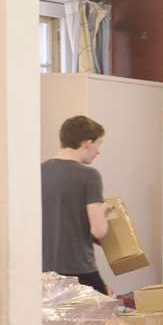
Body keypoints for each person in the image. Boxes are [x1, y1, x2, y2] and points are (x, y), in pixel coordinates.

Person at [42, 115, 112, 292]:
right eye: (98, 145)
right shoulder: (89, 176)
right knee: (102, 317)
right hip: (79, 269)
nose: (98, 151)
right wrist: (103, 211)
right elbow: (98, 230)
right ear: (87, 144)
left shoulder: (39, 171)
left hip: (44, 270)